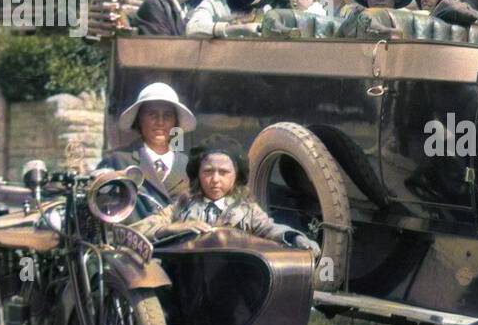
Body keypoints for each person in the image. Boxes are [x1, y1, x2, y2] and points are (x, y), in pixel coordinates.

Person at [131, 139, 320, 254]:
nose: (215, 180)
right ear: (198, 174)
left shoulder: (246, 210)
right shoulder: (183, 205)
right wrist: (174, 228)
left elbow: (269, 228)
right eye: (208, 171)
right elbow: (140, 228)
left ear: (236, 176)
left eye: (223, 172)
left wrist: (295, 238)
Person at [100, 82, 195, 210]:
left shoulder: (189, 166)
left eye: (167, 115)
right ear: (139, 119)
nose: (160, 122)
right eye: (152, 114)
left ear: (175, 122)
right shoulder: (118, 160)